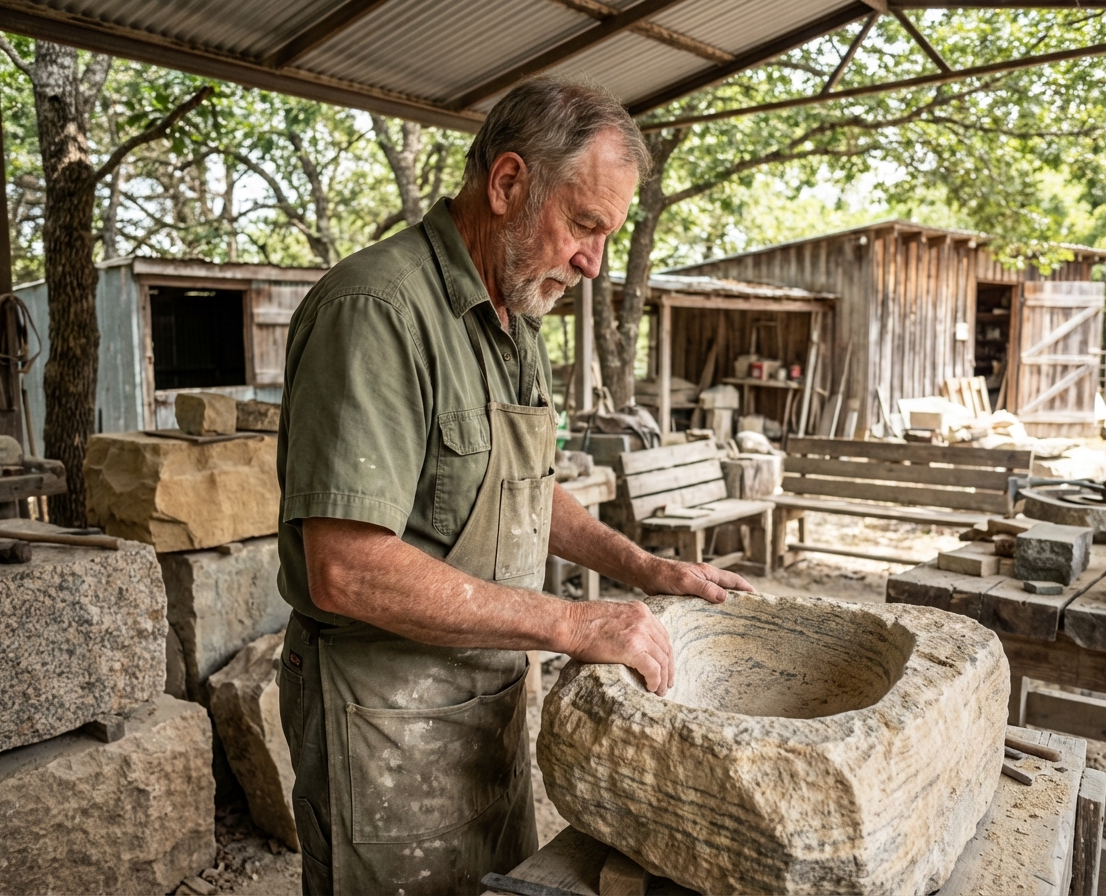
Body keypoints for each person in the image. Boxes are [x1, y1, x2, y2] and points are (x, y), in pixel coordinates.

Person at [276, 76, 752, 896]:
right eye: (584, 225)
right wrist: (571, 622)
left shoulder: (514, 318)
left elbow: (525, 491)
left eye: (606, 235)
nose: (593, 263)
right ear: (507, 185)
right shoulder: (377, 311)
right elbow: (345, 567)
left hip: (486, 702)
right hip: (385, 720)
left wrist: (648, 569)